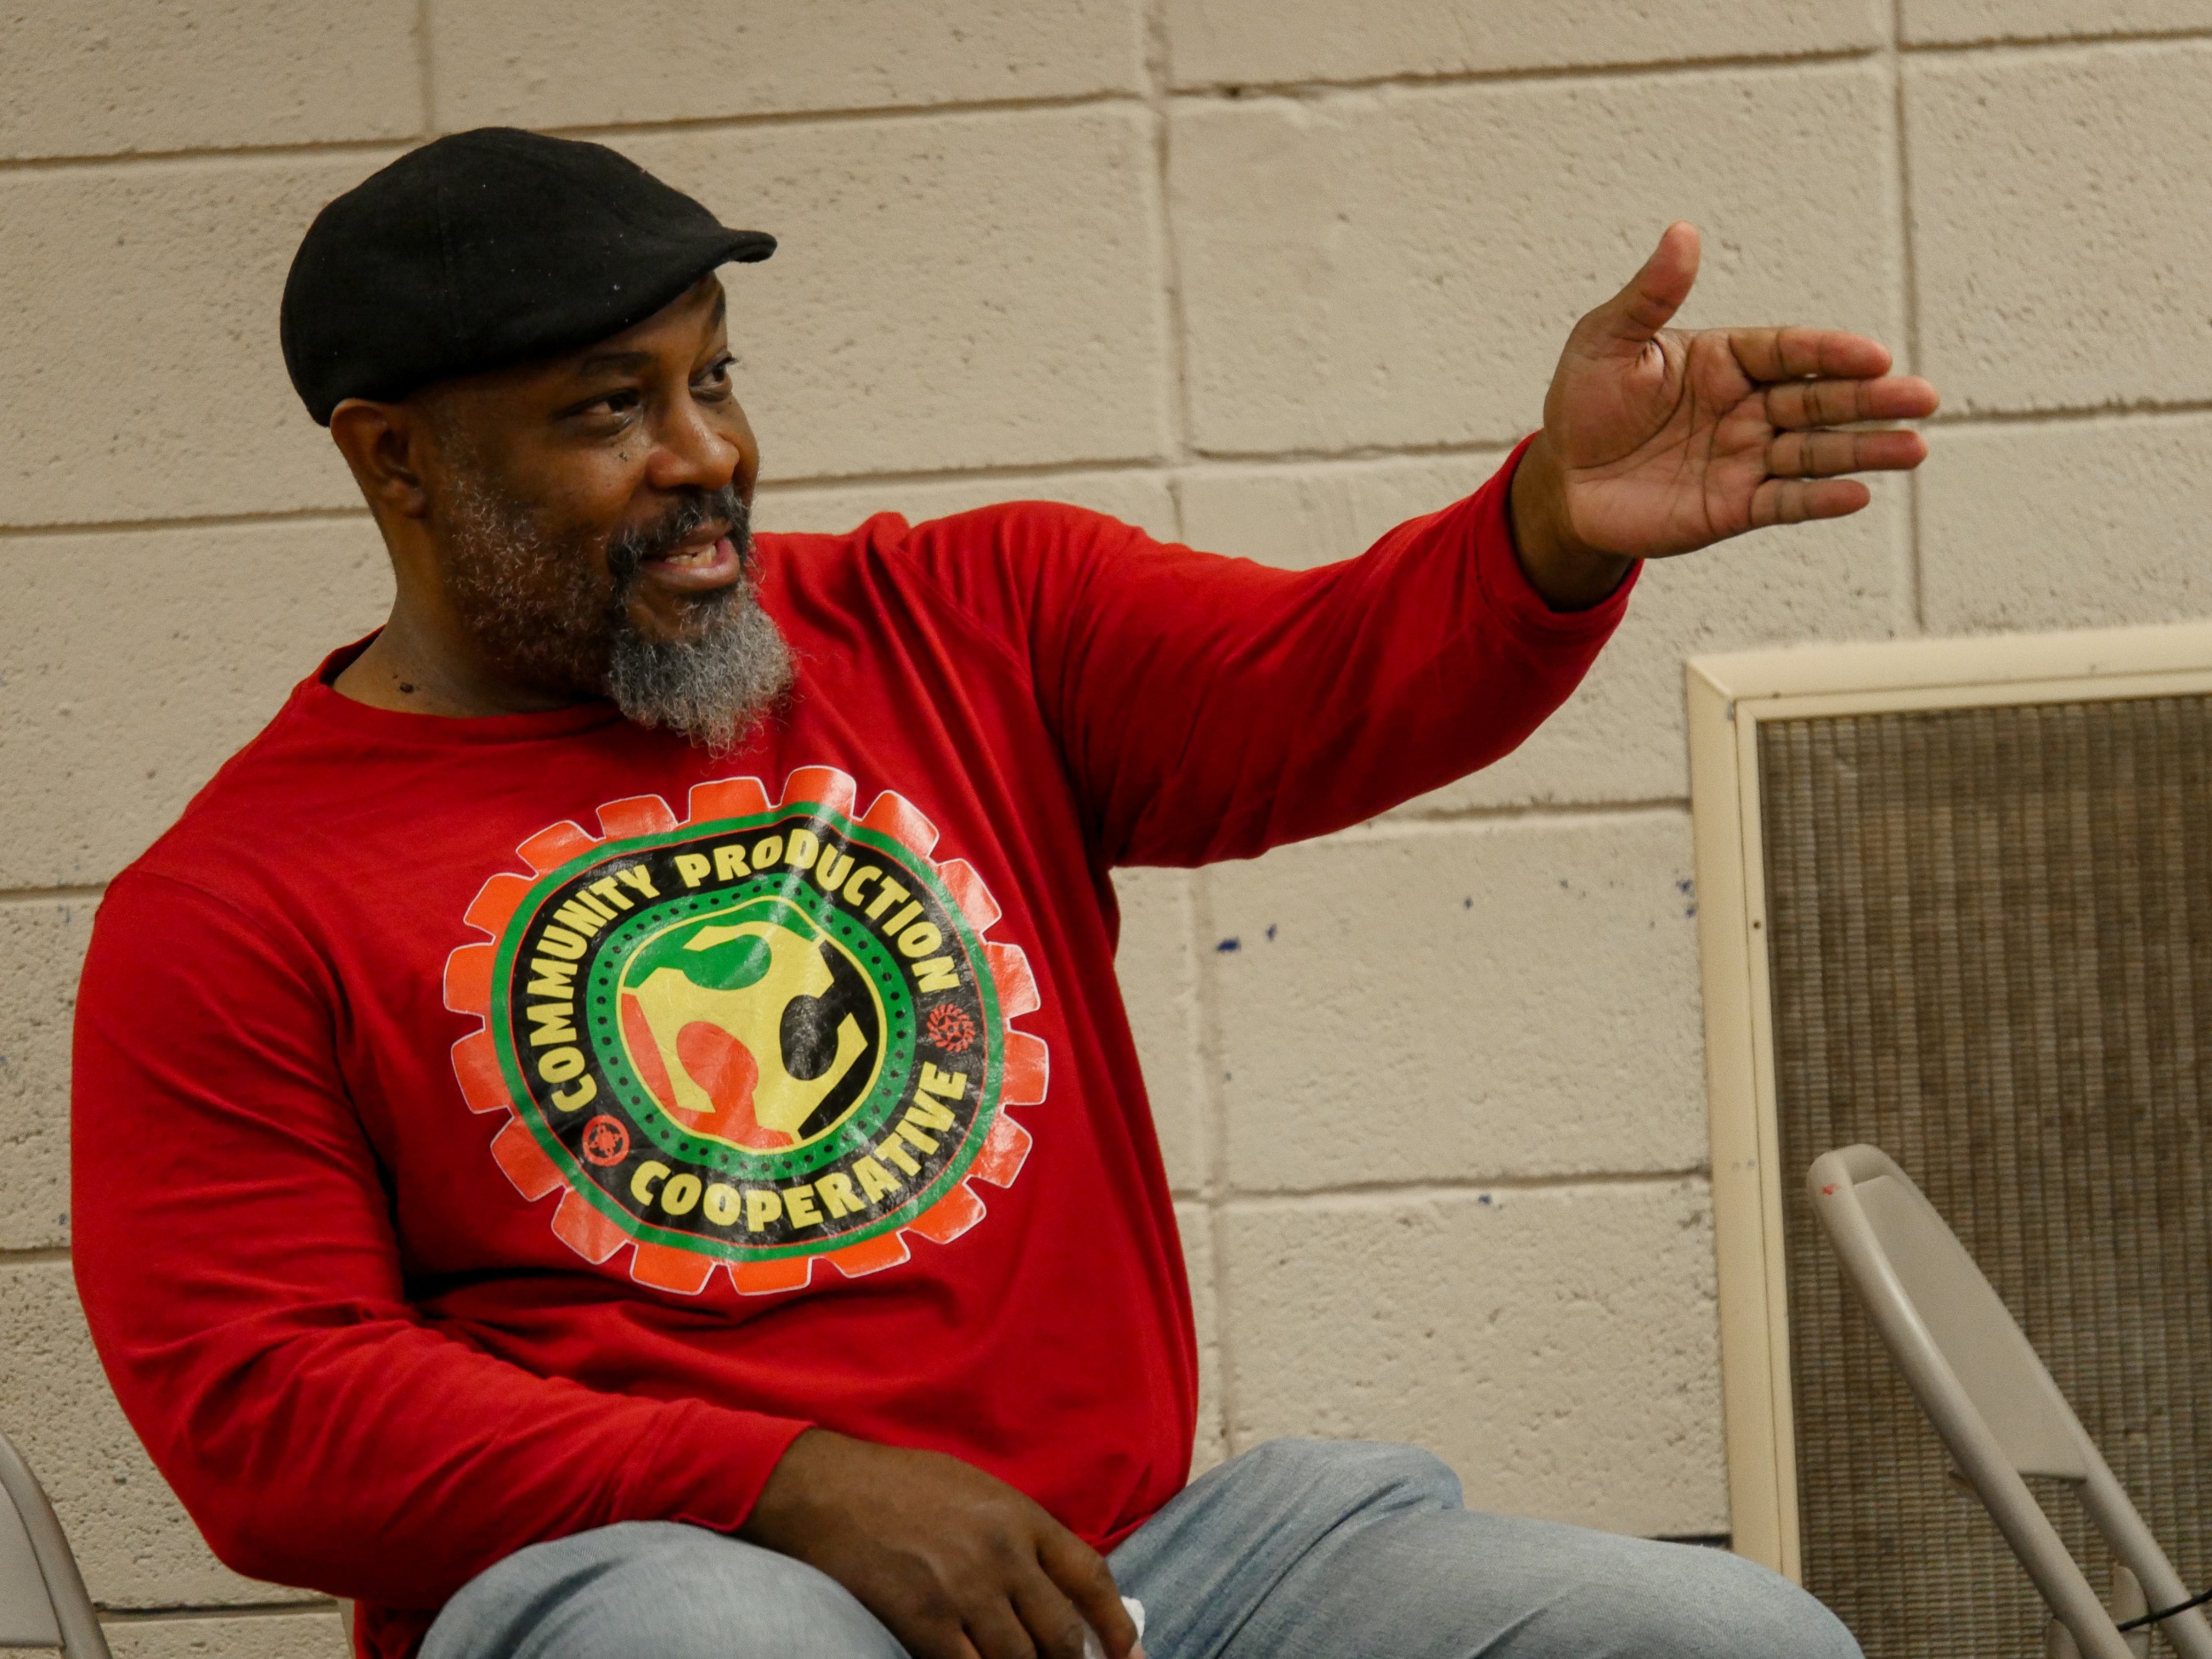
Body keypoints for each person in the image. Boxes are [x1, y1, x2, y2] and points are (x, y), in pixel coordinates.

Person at [70, 127, 1934, 1659]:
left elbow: (1308, 682)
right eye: (603, 410)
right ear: (394, 456)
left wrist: (1538, 523)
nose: (703, 455)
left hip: (1146, 1569)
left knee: (1724, 1636)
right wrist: (783, 1477)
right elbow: (267, 1409)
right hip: (674, 1578)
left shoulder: (958, 616)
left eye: (710, 376)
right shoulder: (231, 903)